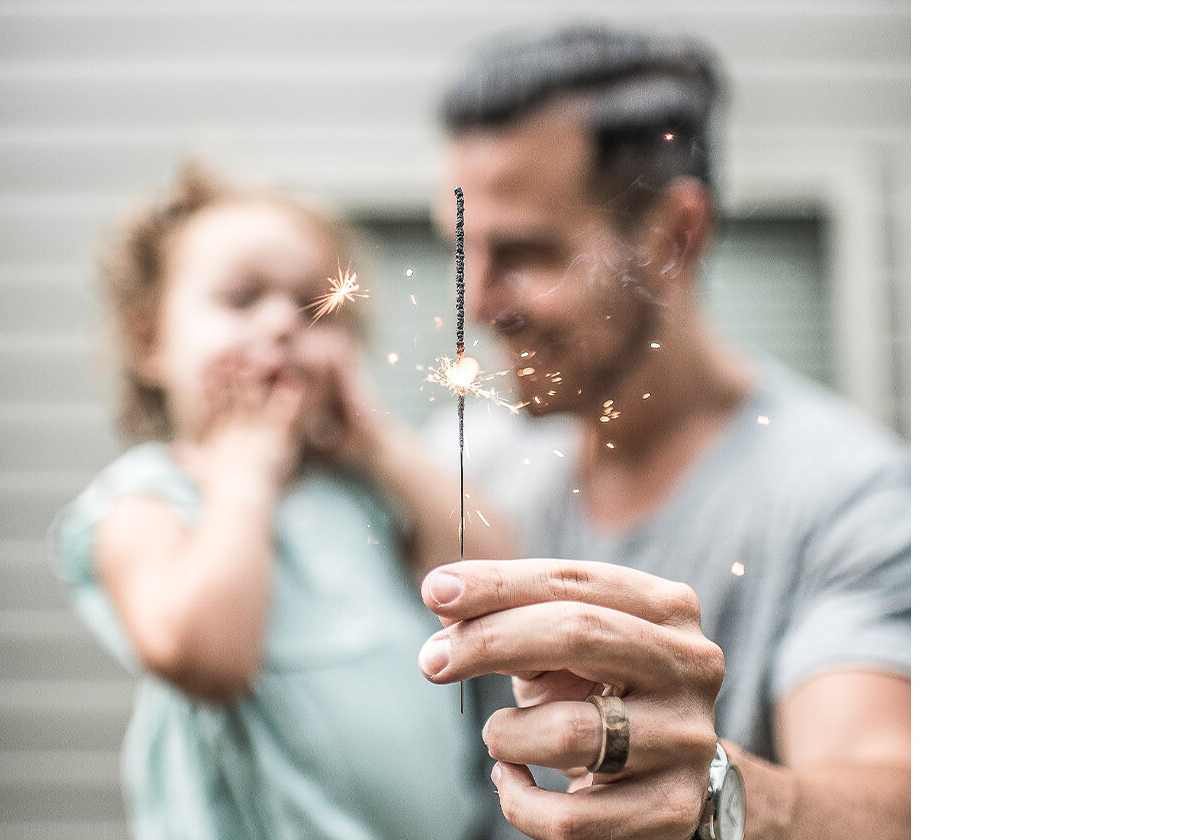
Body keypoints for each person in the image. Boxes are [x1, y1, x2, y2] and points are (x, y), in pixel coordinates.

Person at [416, 26, 910, 840]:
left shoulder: (849, 497)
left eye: (528, 252)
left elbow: (892, 797)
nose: (477, 303)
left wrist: (720, 791)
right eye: (464, 252)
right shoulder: (472, 460)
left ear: (673, 237)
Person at [50, 162, 510, 840]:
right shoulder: (146, 502)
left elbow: (499, 573)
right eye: (241, 298)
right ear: (150, 342)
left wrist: (381, 446)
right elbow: (207, 659)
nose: (281, 324)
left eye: (313, 307)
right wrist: (242, 477)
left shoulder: (360, 492)